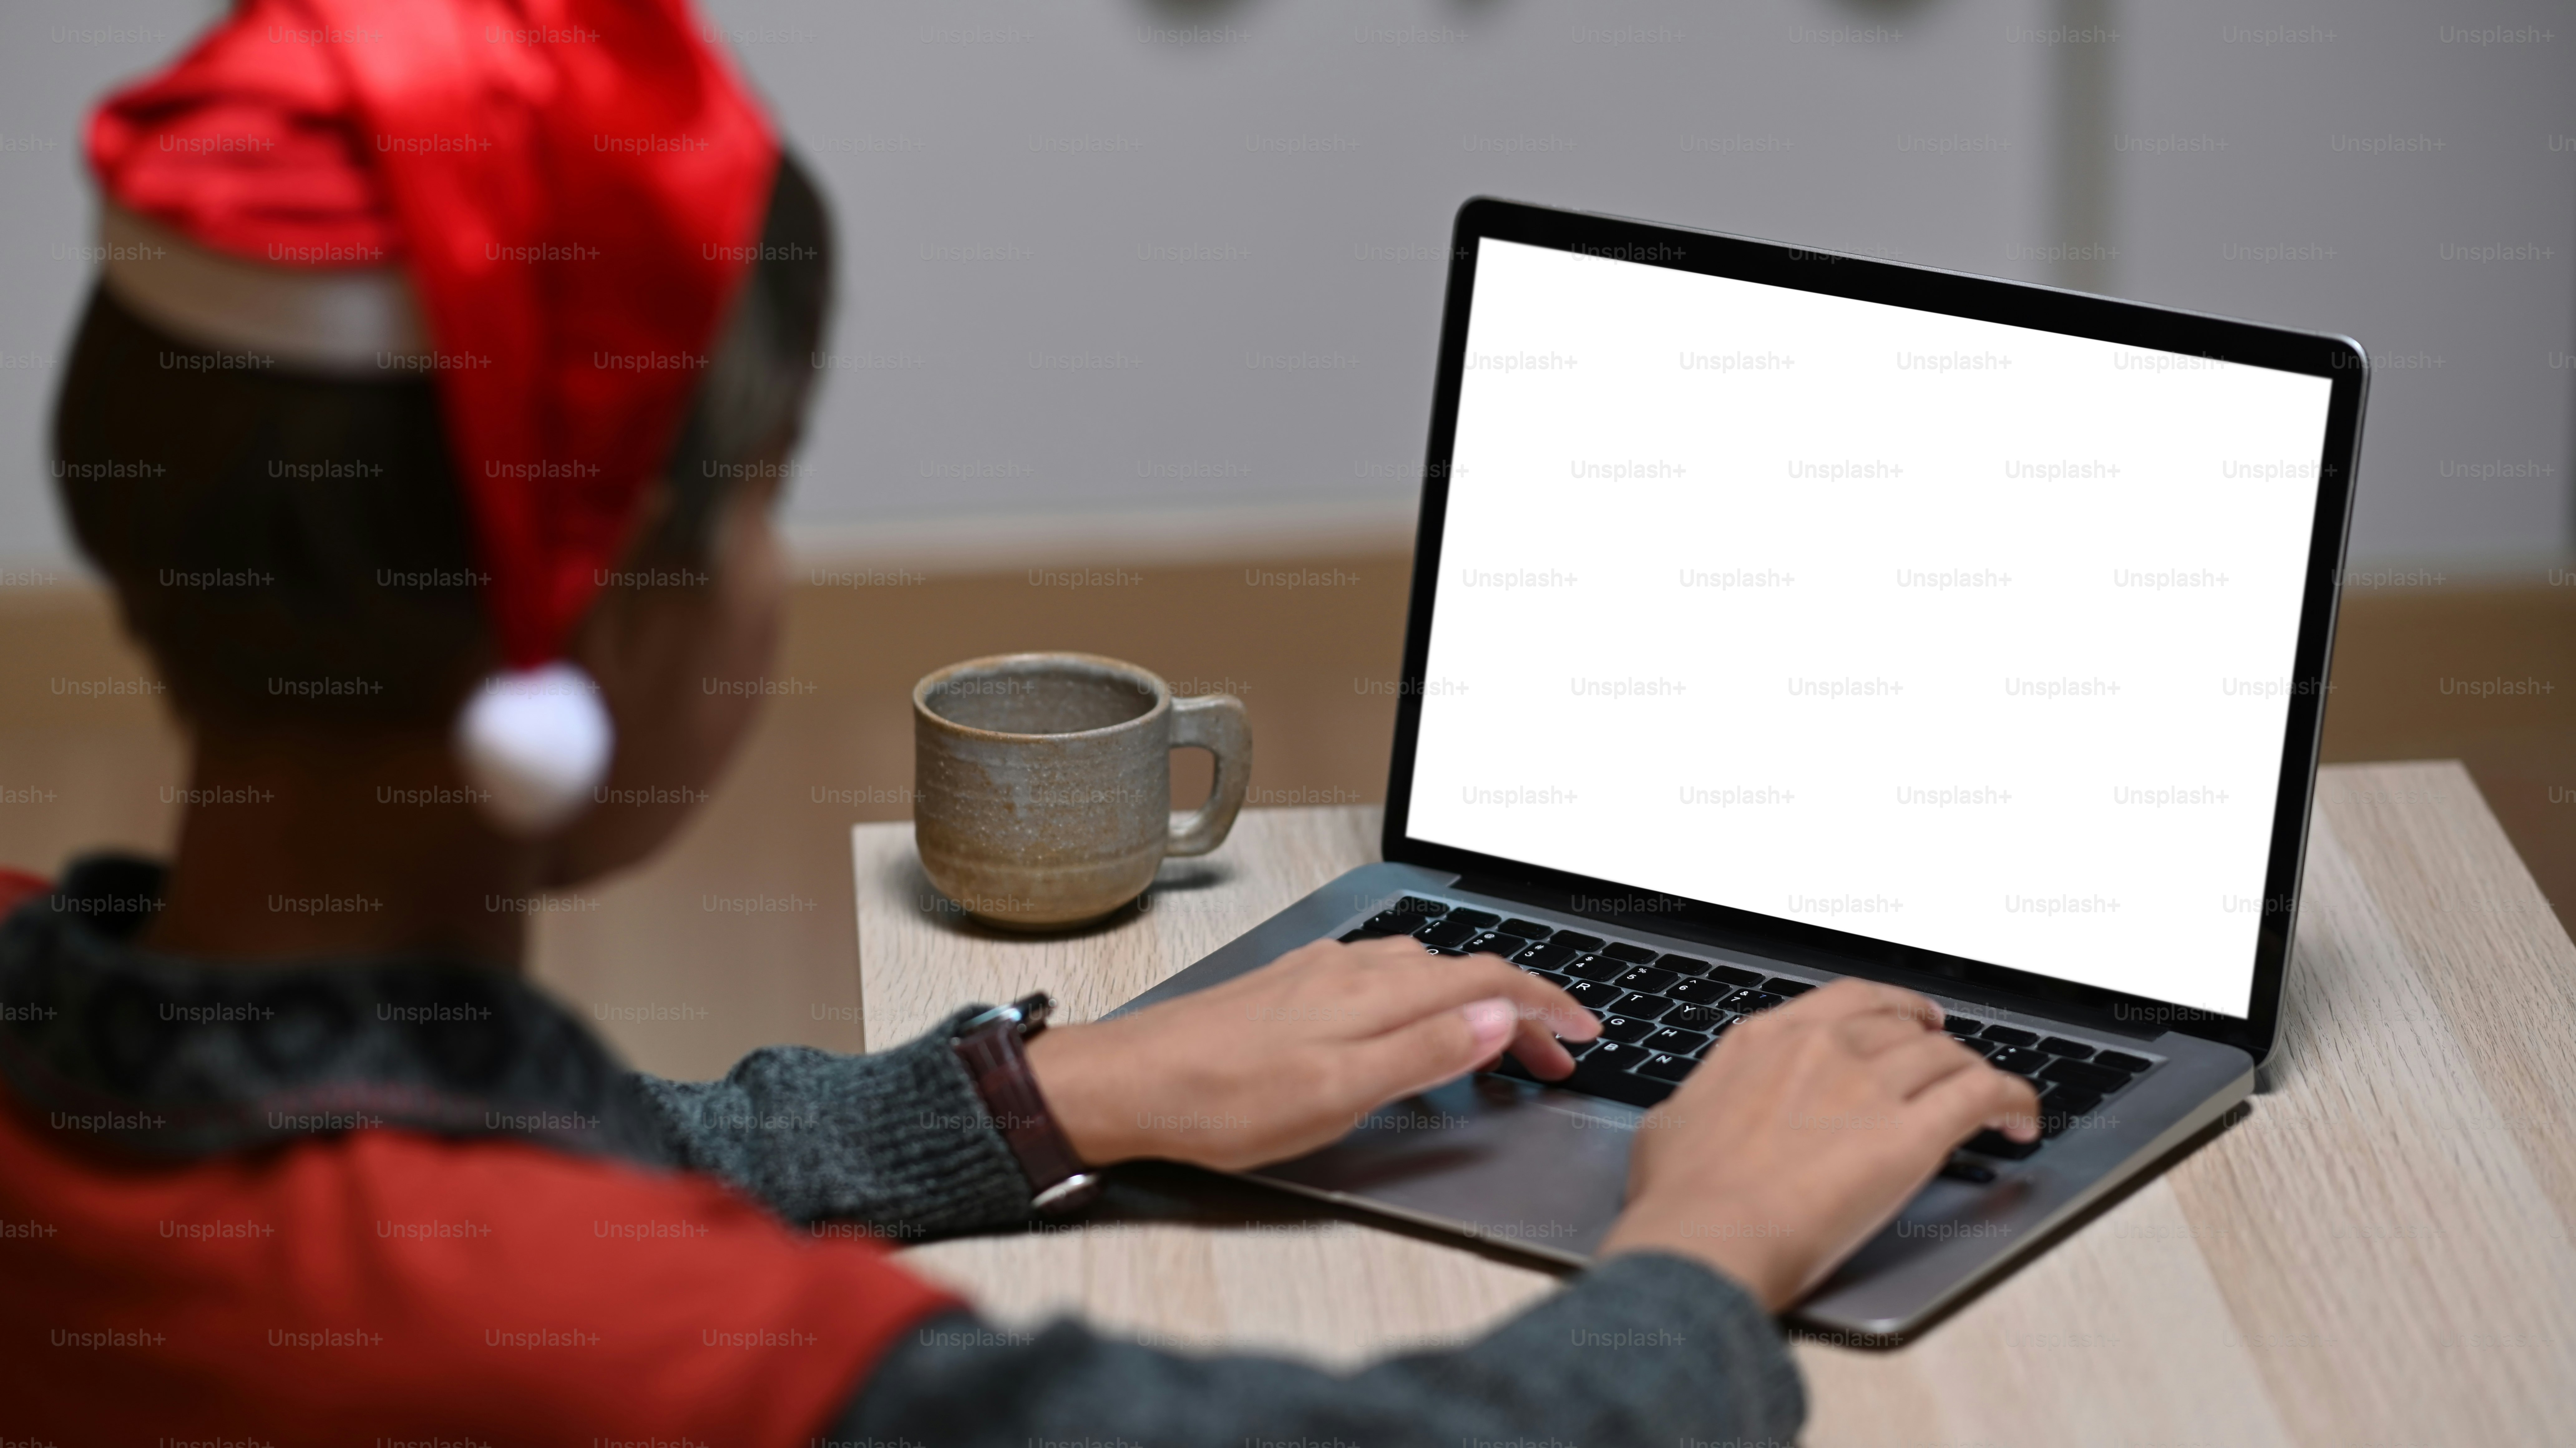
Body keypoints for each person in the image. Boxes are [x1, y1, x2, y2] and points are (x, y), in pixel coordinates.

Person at [1, 2, 2041, 1442]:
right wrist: (1705, 1246)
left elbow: (488, 1171)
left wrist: (1047, 1098)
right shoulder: (635, 1362)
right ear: (610, 625)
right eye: (768, 496)